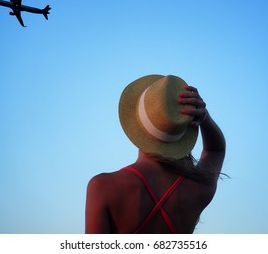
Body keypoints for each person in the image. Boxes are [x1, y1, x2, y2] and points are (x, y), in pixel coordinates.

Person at [85, 74, 226, 234]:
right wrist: (205, 118)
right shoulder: (198, 187)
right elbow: (216, 150)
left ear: (137, 125)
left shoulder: (103, 187)